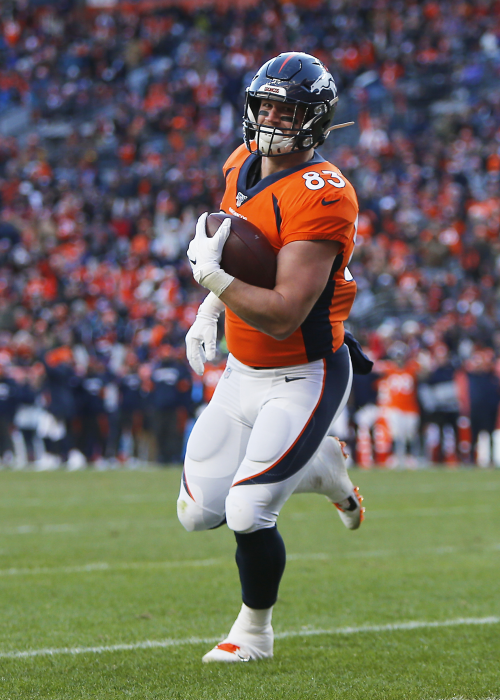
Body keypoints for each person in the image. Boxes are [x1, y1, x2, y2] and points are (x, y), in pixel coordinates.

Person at [178, 52, 364, 663]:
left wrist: (212, 282)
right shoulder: (241, 163)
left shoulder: (324, 194)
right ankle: (319, 467)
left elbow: (284, 311)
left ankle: (253, 634)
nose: (273, 119)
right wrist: (210, 308)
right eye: (265, 105)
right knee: (195, 514)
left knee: (247, 510)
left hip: (303, 375)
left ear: (317, 120)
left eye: (288, 111)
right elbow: (238, 250)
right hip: (241, 372)